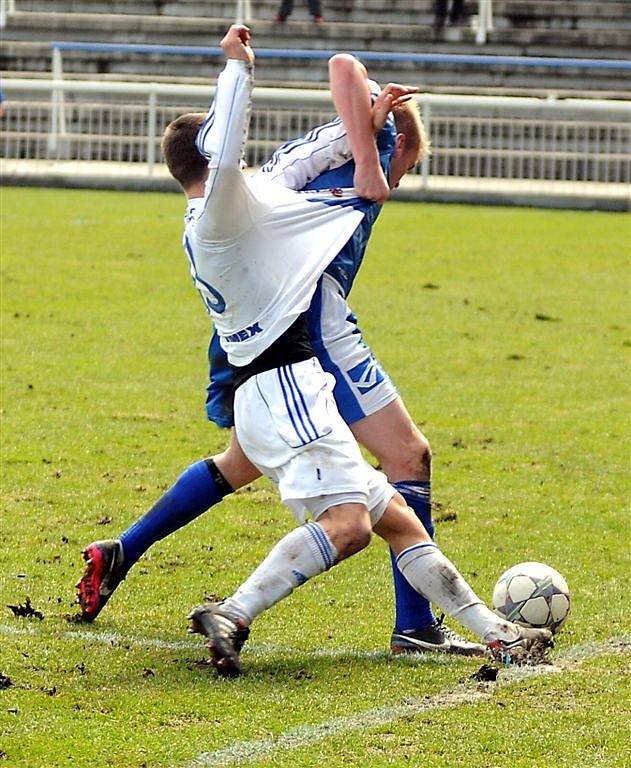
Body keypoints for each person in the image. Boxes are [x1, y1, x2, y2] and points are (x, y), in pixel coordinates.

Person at [116, 24, 555, 676]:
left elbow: (290, 162)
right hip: (283, 383)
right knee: (349, 525)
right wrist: (238, 69)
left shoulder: (255, 197)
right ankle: (233, 613)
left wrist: (370, 133)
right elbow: (251, 126)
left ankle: (497, 637)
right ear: (212, 152)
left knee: (398, 518)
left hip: (282, 389)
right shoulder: (221, 213)